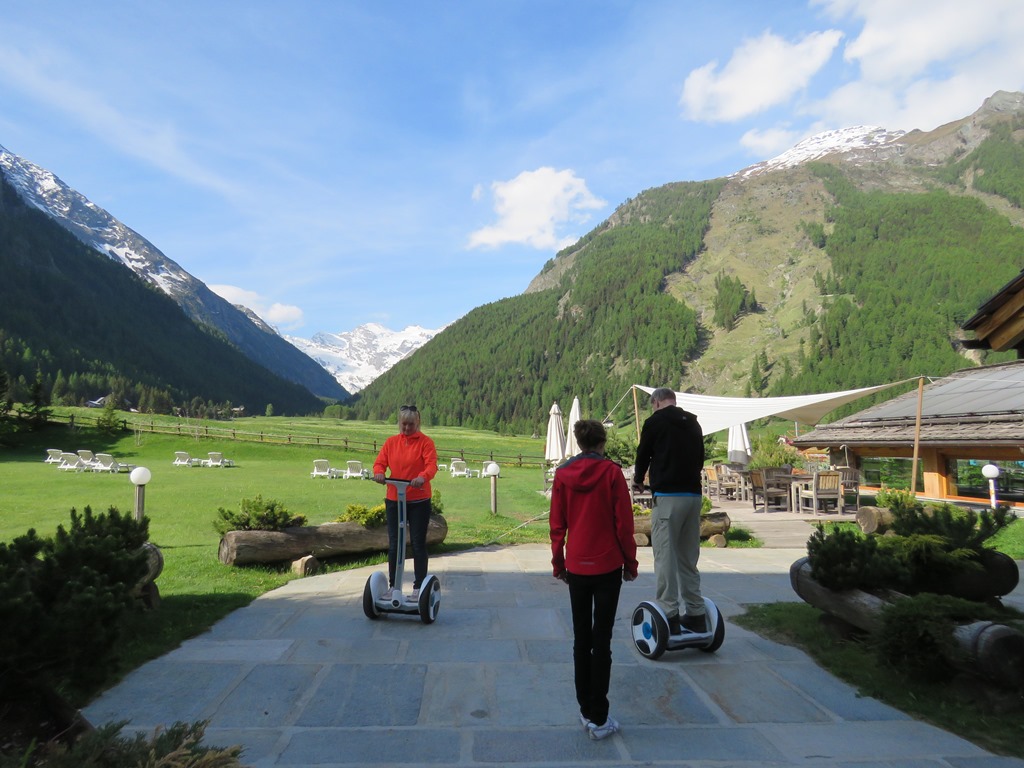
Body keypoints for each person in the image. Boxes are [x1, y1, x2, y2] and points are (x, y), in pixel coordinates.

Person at [550, 419, 638, 741]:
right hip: (608, 566)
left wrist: (559, 563)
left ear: (579, 442)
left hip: (577, 565)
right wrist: (631, 563)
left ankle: (586, 709)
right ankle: (599, 716)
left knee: (580, 639)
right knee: (602, 641)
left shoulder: (562, 474)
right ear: (602, 443)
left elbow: (557, 525)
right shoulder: (612, 473)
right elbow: (624, 524)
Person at [632, 387, 707, 636]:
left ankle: (669, 613)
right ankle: (696, 613)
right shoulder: (694, 423)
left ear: (655, 402)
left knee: (665, 557)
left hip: (668, 497)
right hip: (693, 496)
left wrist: (638, 479)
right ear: (674, 401)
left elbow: (643, 454)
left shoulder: (656, 422)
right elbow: (700, 459)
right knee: (688, 558)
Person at [372, 404, 438, 599]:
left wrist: (422, 477)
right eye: (404, 424)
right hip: (395, 499)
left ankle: (419, 587)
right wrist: (379, 473)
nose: (407, 428)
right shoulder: (391, 442)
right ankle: (394, 586)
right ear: (399, 423)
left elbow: (431, 466)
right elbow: (379, 463)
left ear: (417, 423)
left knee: (418, 543)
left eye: (411, 424)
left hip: (419, 499)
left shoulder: (425, 443)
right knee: (395, 544)